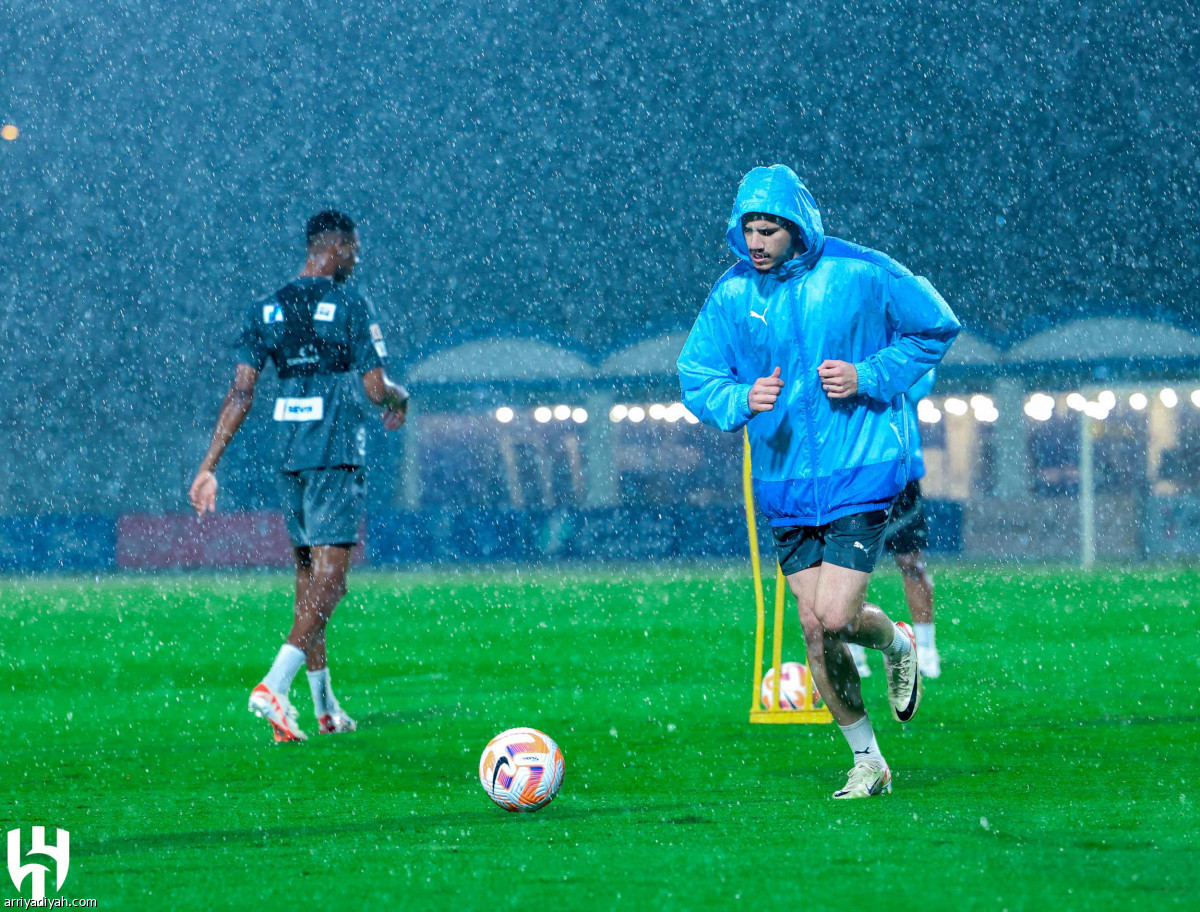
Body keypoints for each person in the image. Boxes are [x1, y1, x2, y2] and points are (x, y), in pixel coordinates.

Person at [678, 165, 959, 798]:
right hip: (783, 483)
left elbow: (937, 326)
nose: (757, 241)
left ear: (796, 227)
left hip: (857, 470)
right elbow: (695, 372)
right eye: (748, 228)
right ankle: (869, 761)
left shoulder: (861, 270)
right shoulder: (731, 295)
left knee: (833, 615)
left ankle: (896, 641)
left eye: (770, 228)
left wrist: (869, 374)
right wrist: (740, 395)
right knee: (814, 628)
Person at [189, 210, 409, 743]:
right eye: (353, 249)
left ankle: (324, 708)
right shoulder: (353, 305)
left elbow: (242, 392)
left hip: (290, 452)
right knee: (332, 581)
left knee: (309, 580)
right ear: (333, 248)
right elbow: (376, 389)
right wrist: (402, 397)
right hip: (334, 448)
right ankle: (273, 686)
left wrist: (208, 465)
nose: (356, 259)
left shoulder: (267, 308)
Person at [851, 370, 942, 680]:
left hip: (901, 472)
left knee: (912, 562)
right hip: (854, 472)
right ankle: (853, 650)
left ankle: (927, 648)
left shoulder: (899, 353)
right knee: (850, 565)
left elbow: (919, 375)